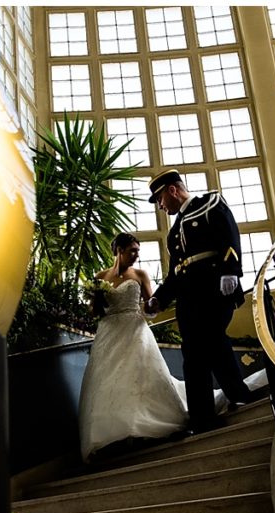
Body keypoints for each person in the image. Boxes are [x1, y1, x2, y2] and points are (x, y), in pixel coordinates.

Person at [144, 169, 251, 434]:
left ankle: (239, 394)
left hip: (214, 288)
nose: (160, 206)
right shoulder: (173, 233)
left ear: (172, 190)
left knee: (212, 338)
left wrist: (230, 270)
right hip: (189, 298)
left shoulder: (210, 204)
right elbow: (175, 272)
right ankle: (202, 418)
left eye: (159, 199)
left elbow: (230, 235)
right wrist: (160, 298)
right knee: (192, 355)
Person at [77, 232, 190, 460]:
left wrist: (151, 307)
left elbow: (152, 306)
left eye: (138, 251)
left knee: (138, 376)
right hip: (108, 333)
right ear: (119, 250)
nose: (137, 255)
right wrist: (96, 301)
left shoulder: (140, 275)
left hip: (135, 330)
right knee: (108, 381)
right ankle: (114, 434)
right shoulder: (100, 277)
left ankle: (144, 426)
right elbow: (92, 312)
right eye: (132, 251)